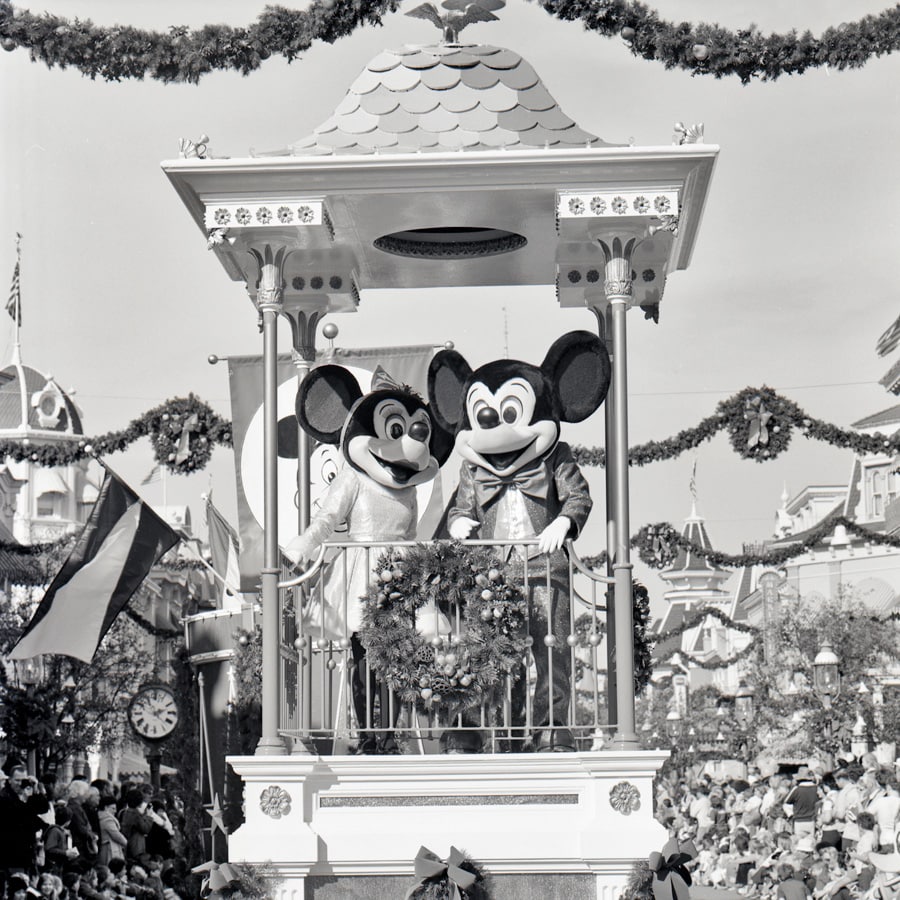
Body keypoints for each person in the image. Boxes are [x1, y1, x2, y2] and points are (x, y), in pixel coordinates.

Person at [97, 797, 127, 868]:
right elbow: (116, 835)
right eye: (113, 808)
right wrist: (127, 844)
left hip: (108, 847)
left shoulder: (102, 818)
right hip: (109, 849)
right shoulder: (107, 820)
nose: (115, 811)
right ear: (106, 807)